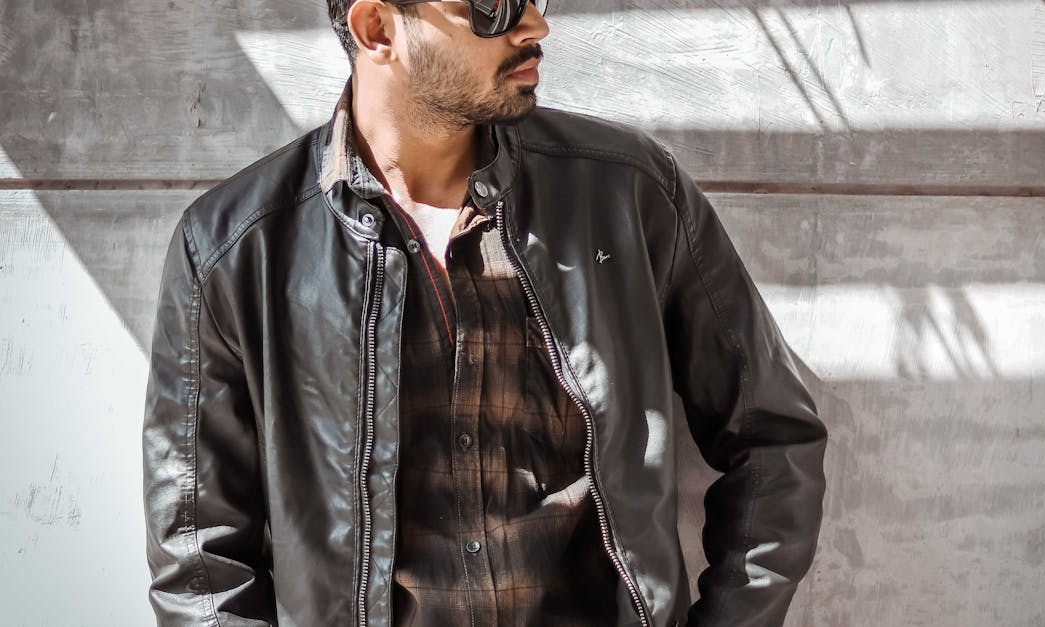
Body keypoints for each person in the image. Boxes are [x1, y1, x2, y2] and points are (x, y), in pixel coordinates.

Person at [141, 1, 827, 625]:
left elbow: (772, 435)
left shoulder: (629, 193)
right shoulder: (235, 249)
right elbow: (200, 559)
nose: (535, 26)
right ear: (378, 28)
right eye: (493, 7)